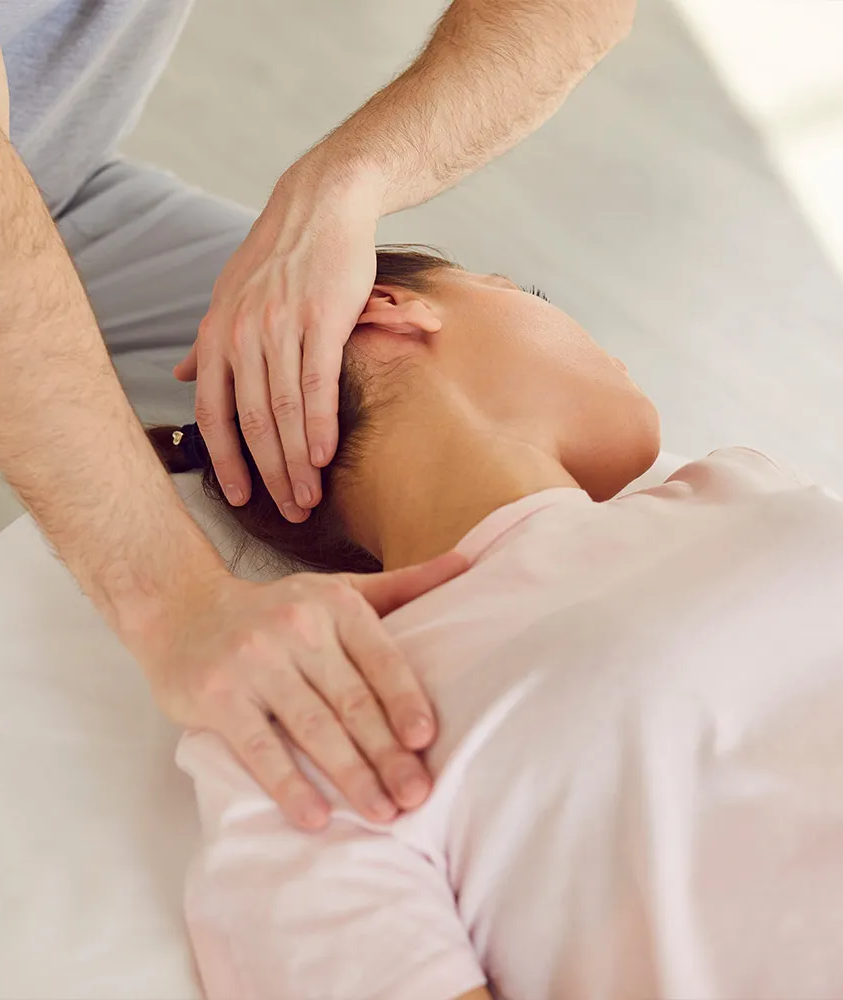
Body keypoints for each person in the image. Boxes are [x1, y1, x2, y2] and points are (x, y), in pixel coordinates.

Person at [0, 0, 637, 827]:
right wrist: (176, 605)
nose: (509, 285)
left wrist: (347, 184)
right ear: (394, 308)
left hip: (58, 188)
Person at [163, 248, 843, 1000]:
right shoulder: (310, 712)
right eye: (536, 293)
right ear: (385, 307)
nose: (609, 348)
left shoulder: (741, 485)